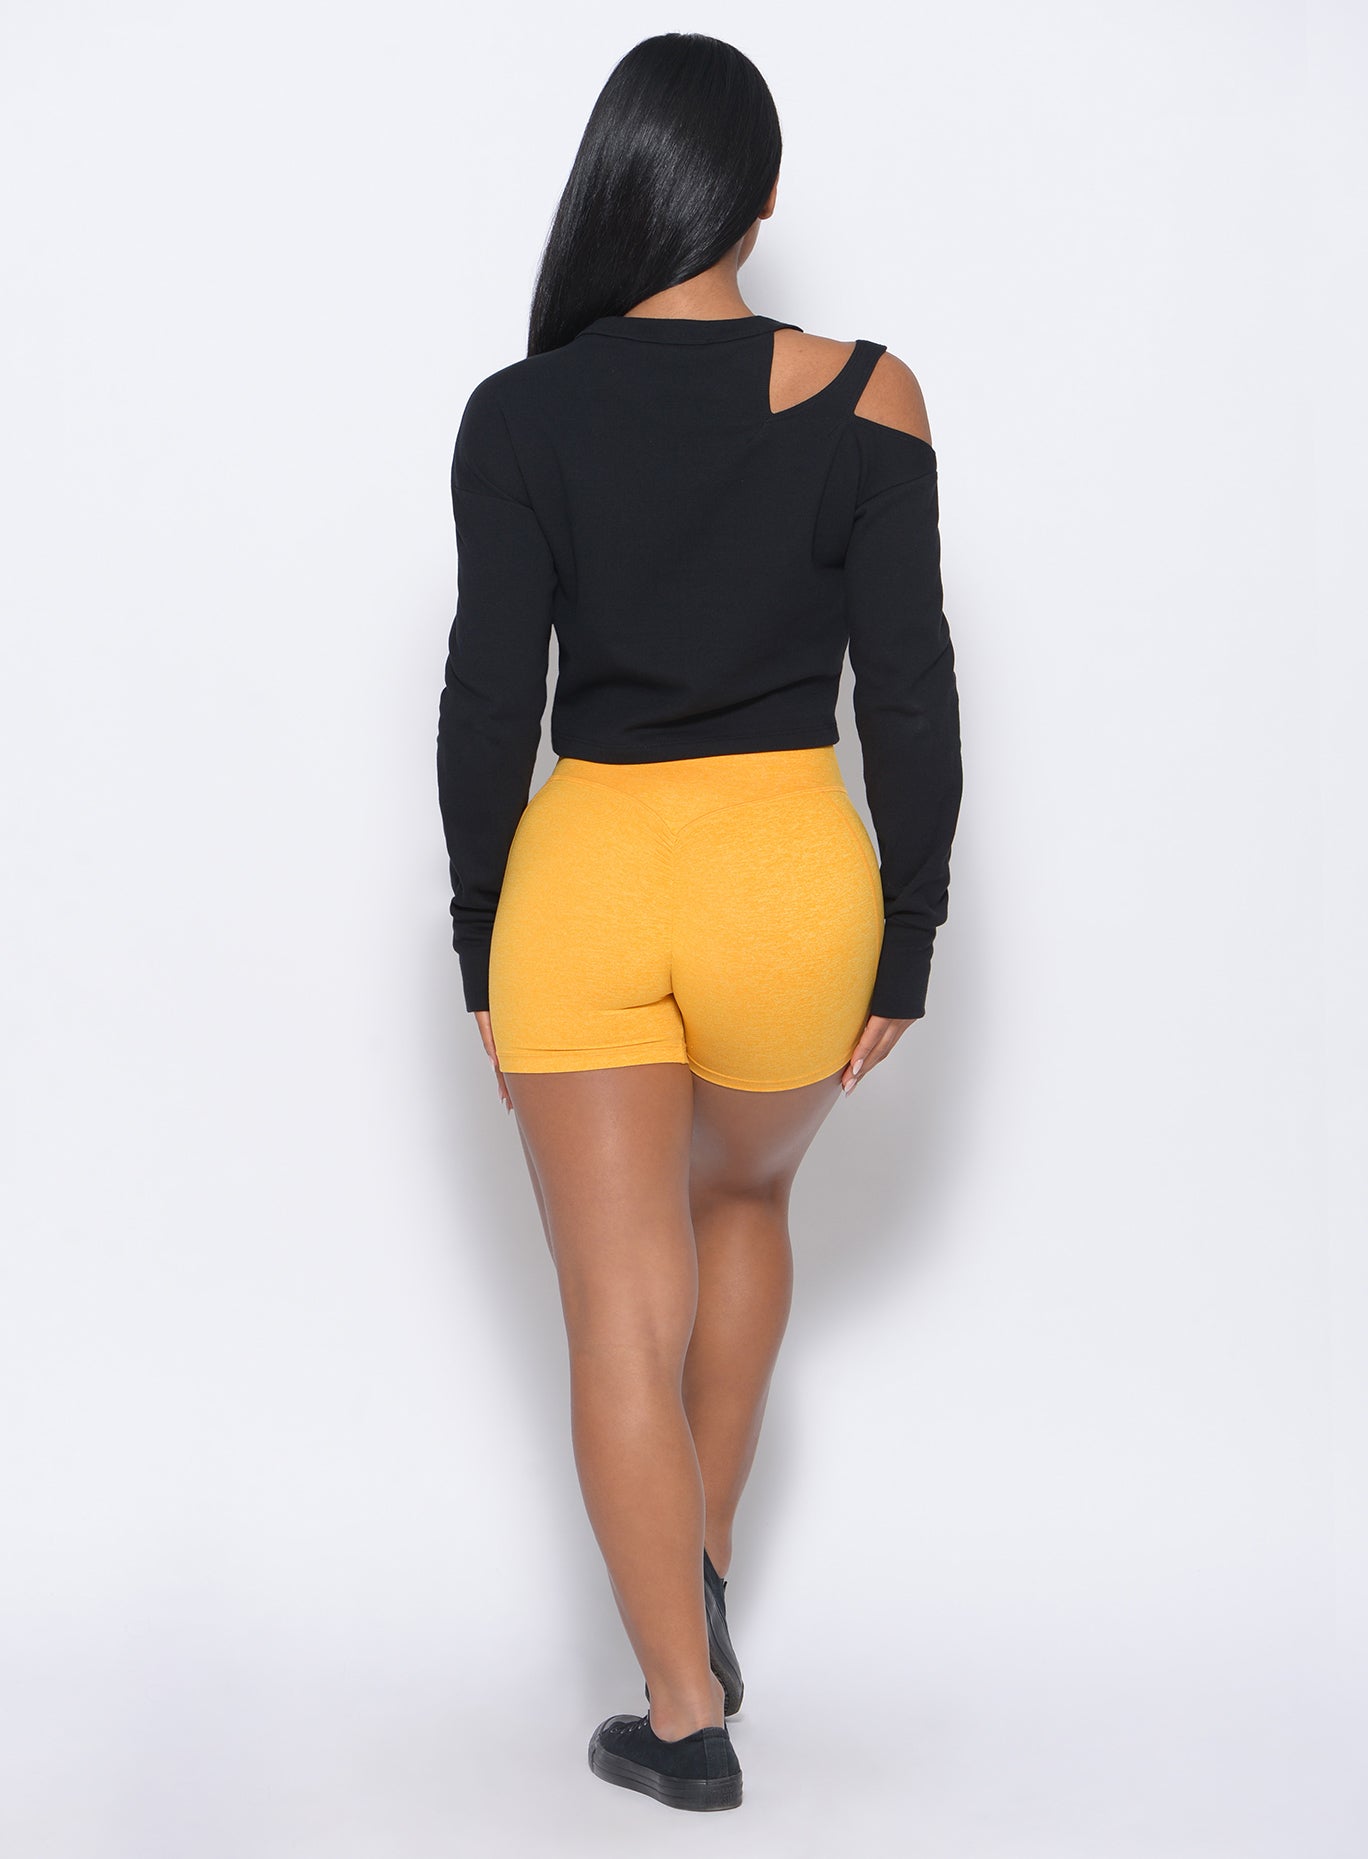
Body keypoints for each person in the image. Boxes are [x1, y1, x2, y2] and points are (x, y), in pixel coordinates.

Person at [435, 31, 962, 1814]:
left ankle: (681, 1711)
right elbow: (910, 697)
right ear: (763, 195)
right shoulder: (871, 396)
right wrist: (909, 933)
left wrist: (478, 931)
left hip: (584, 882)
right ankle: (705, 1563)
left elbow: (488, 702)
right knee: (740, 1201)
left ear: (616, 183)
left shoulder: (521, 413)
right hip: (786, 885)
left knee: (613, 1310)